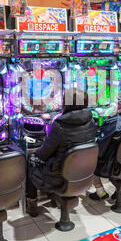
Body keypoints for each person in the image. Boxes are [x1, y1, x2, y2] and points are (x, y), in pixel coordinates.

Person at [25, 89, 97, 217]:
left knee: (30, 161)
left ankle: (32, 203)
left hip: (59, 176)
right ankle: (53, 197)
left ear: (66, 103)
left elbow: (43, 154)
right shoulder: (91, 120)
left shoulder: (60, 124)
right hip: (82, 172)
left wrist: (36, 150)